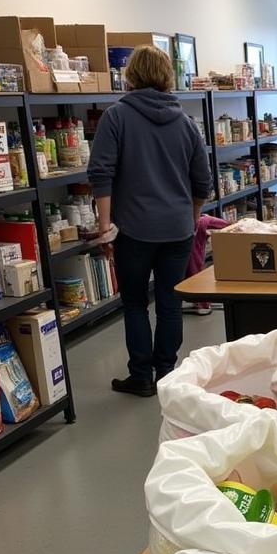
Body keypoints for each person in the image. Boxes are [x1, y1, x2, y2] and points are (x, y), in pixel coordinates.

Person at [88, 45, 211, 398]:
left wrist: (104, 226)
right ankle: (167, 374)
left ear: (131, 75)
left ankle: (141, 375)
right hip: (177, 228)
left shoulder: (116, 117)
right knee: (171, 303)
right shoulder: (185, 122)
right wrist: (191, 217)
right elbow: (202, 181)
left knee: (135, 302)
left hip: (133, 230)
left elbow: (101, 173)